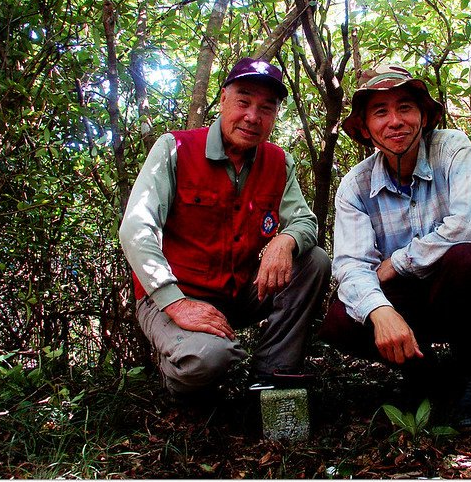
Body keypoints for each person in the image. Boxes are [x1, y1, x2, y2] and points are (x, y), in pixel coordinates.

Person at [120, 57, 331, 401]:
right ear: (222, 100)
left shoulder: (278, 162)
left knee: (314, 261)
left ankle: (270, 376)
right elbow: (136, 227)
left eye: (266, 108)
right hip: (174, 296)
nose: (252, 116)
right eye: (243, 101)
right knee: (207, 359)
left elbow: (305, 220)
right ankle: (182, 378)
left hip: (237, 294)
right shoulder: (175, 148)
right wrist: (175, 302)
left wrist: (286, 239)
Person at [320, 63, 471, 427]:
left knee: (470, 260)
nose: (395, 121)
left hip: (463, 288)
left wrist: (398, 262)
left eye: (405, 107)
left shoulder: (451, 149)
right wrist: (380, 311)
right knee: (340, 319)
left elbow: (470, 226)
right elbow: (350, 266)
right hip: (410, 302)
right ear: (365, 128)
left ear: (424, 117)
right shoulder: (356, 186)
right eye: (380, 112)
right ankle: (422, 374)